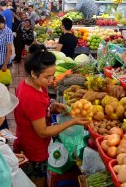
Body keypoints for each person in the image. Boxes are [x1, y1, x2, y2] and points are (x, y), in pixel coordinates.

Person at [14, 44, 89, 187]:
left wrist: (53, 106)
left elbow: (39, 109)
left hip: (28, 140)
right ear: (33, 73)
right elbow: (43, 132)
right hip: (34, 149)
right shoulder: (31, 97)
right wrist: (72, 122)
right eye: (47, 77)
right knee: (36, 182)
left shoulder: (34, 84)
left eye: (52, 76)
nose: (51, 80)